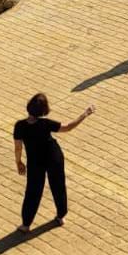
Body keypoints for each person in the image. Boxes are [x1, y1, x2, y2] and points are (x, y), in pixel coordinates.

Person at [13, 94, 94, 231]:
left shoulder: (20, 126)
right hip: (54, 156)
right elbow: (68, 127)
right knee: (58, 185)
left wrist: (19, 162)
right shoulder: (46, 124)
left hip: (35, 161)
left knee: (33, 191)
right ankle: (61, 216)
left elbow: (18, 147)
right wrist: (84, 114)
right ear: (44, 110)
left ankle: (26, 224)